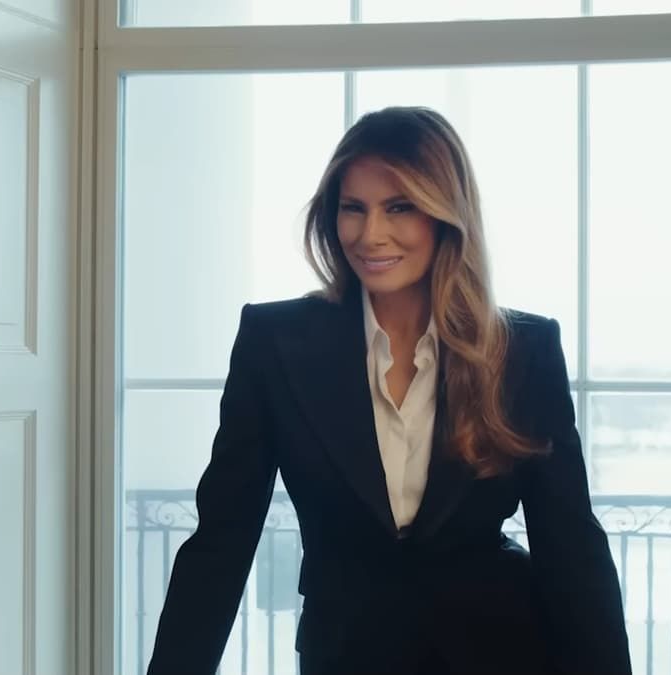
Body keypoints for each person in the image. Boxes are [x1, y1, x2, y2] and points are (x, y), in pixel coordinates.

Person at [147, 106, 632, 675]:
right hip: (347, 654)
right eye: (354, 208)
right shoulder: (274, 343)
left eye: (399, 207)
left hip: (503, 650)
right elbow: (221, 540)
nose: (370, 234)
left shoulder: (521, 350)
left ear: (445, 216)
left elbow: (569, 541)